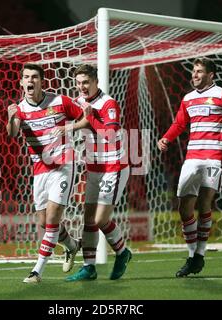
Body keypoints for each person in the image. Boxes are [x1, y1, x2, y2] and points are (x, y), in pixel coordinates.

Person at [157, 57, 222, 277]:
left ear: (211, 75)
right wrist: (166, 139)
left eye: (199, 72)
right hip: (192, 158)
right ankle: (192, 255)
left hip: (215, 157)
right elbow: (180, 123)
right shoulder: (188, 98)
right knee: (184, 206)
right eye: (193, 71)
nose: (195, 75)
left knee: (204, 201)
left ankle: (198, 255)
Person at [7, 63, 86, 283]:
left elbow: (87, 118)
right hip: (39, 169)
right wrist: (10, 117)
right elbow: (13, 133)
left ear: (42, 81)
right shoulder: (20, 109)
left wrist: (69, 128)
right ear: (22, 82)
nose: (30, 81)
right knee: (43, 221)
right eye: (26, 77)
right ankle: (72, 246)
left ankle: (37, 271)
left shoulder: (60, 102)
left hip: (63, 165)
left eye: (34, 77)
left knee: (52, 218)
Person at [63, 64, 132, 282]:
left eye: (86, 82)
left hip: (114, 166)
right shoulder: (79, 102)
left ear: (95, 82)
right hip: (93, 167)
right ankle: (88, 268)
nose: (82, 87)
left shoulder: (108, 103)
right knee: (88, 219)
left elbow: (110, 135)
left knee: (101, 219)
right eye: (79, 83)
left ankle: (123, 252)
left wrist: (89, 117)